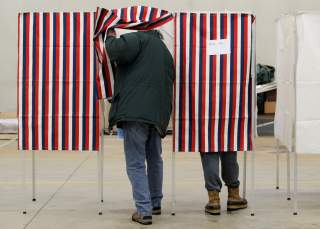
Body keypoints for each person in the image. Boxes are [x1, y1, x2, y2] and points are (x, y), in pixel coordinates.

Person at [105, 29, 174, 225]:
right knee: (154, 159)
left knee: (135, 162)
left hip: (135, 112)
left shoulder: (137, 39)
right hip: (157, 114)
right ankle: (155, 202)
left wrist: (110, 37)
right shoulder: (164, 51)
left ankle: (144, 210)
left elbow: (114, 51)